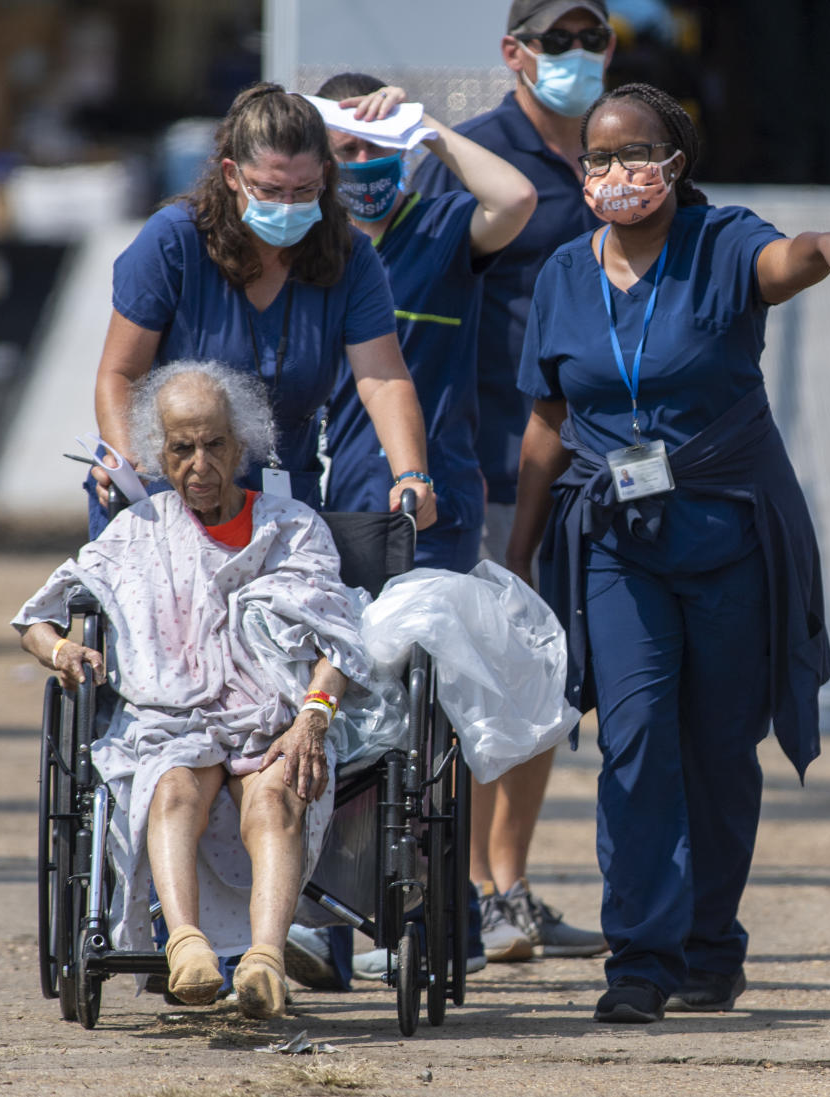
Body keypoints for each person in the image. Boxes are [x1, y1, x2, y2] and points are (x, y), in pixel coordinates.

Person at [508, 82, 830, 1023]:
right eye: (597, 158)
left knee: (721, 751)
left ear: (675, 162)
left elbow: (784, 257)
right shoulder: (564, 272)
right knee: (634, 740)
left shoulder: (719, 242)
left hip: (726, 534)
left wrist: (828, 250)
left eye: (633, 152)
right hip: (616, 545)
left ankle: (711, 947)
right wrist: (518, 554)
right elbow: (549, 420)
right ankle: (639, 958)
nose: (614, 171)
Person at [14, 362, 374, 1020]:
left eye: (214, 444)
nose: (200, 463)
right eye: (181, 448)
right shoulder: (136, 532)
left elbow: (339, 645)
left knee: (277, 795)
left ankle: (265, 961)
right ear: (159, 452)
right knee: (172, 786)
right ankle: (187, 947)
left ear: (243, 445)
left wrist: (312, 720)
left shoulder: (292, 528)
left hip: (274, 719)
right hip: (170, 721)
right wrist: (63, 650)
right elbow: (35, 619)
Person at [282, 74, 538, 985]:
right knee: (314, 707)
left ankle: (421, 909)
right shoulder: (309, 244)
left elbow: (514, 198)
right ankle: (316, 916)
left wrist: (425, 128)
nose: (363, 166)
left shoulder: (438, 229)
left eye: (371, 149)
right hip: (318, 512)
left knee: (418, 721)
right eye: (343, 150)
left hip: (427, 514)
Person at [412, 0, 613, 961]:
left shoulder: (623, 152)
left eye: (593, 40)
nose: (578, 57)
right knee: (474, 680)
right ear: (514, 54)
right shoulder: (477, 155)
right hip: (487, 458)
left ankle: (511, 886)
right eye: (558, 41)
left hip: (594, 471)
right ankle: (465, 887)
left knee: (548, 679)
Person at [87, 81, 435, 537]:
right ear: (232, 175)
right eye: (269, 190)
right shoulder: (173, 240)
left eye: (304, 189)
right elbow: (121, 373)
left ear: (327, 175)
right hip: (167, 496)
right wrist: (126, 460)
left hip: (283, 502)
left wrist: (412, 474)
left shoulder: (350, 254)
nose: (287, 206)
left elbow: (384, 380)